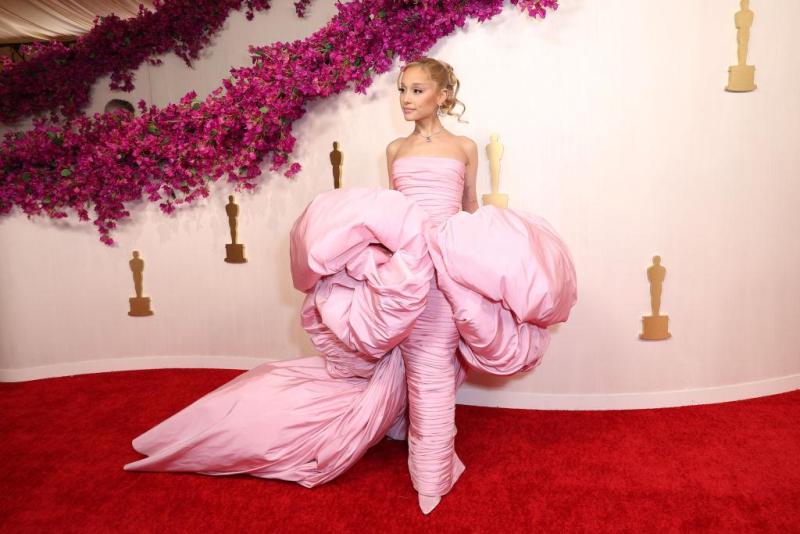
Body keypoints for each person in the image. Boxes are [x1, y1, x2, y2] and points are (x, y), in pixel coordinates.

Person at [123, 57, 578, 515]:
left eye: (417, 90)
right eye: (402, 90)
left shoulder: (464, 146)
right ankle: (424, 463)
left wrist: (476, 259)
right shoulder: (395, 150)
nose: (405, 99)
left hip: (446, 271)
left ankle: (430, 472)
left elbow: (468, 205)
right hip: (404, 272)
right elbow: (392, 214)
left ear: (442, 95)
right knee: (420, 364)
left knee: (433, 366)